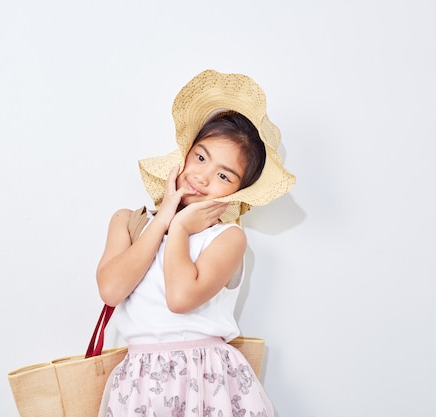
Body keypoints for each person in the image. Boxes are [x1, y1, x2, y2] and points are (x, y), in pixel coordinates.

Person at [95, 69, 295, 417]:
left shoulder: (228, 238)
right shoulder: (129, 221)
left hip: (208, 382)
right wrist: (165, 218)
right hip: (140, 387)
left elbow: (180, 298)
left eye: (223, 175)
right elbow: (112, 291)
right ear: (184, 155)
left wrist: (184, 230)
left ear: (238, 191)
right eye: (200, 158)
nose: (202, 177)